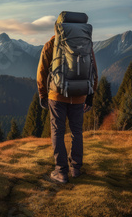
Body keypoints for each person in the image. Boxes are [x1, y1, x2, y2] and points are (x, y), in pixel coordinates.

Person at [37, 22, 98, 184]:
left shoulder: (51, 44)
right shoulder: (86, 45)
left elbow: (42, 71)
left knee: (57, 130)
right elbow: (93, 71)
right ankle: (76, 169)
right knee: (77, 131)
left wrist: (42, 94)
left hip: (57, 95)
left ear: (58, 29)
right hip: (79, 95)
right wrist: (90, 96)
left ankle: (61, 172)